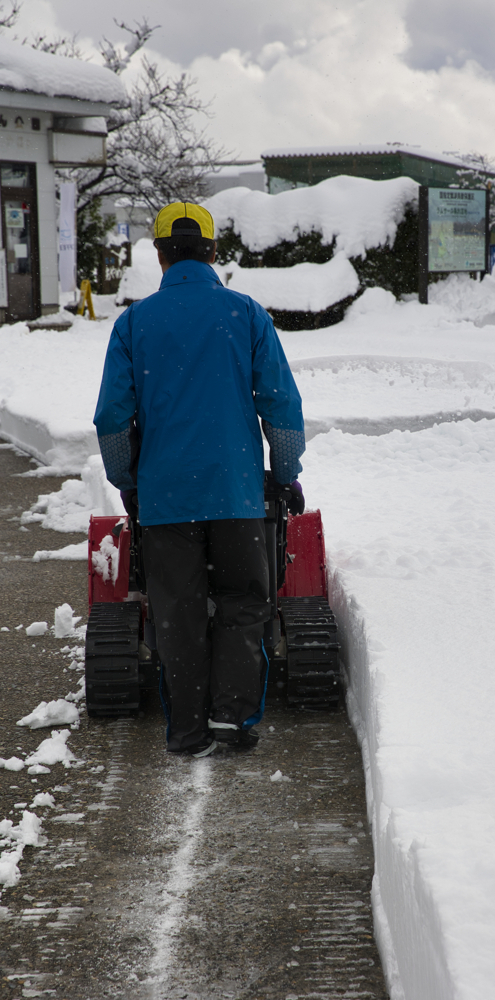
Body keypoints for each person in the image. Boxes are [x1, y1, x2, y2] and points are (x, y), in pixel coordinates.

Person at [93, 201, 305, 758]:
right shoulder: (246, 314)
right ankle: (231, 722)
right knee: (241, 604)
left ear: (161, 255)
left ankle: (187, 733)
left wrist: (128, 482)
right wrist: (283, 475)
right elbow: (281, 405)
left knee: (178, 614)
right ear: (213, 253)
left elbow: (112, 418)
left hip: (166, 501)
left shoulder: (134, 323)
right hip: (236, 495)